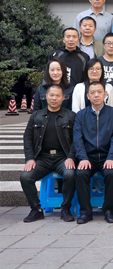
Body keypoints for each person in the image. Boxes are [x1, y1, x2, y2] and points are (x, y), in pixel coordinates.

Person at [21, 85, 77, 223]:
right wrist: (30, 158)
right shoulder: (36, 116)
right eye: (51, 95)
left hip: (62, 157)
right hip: (42, 158)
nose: (54, 98)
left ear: (63, 98)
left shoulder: (71, 116)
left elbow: (77, 140)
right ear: (46, 96)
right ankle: (36, 210)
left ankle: (65, 208)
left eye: (57, 95)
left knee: (70, 174)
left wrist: (71, 157)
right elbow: (27, 138)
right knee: (25, 177)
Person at [73, 82, 113, 224]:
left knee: (111, 174)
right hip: (88, 157)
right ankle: (85, 212)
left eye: (99, 92)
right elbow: (78, 138)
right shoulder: (81, 115)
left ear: (105, 95)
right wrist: (83, 158)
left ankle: (109, 210)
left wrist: (111, 157)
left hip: (107, 156)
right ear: (88, 96)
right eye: (93, 92)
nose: (96, 95)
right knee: (81, 174)